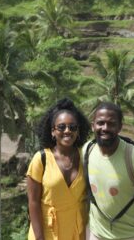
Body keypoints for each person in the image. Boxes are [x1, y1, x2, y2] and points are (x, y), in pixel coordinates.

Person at [84, 102, 134, 240]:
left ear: (120, 127)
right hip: (97, 234)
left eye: (111, 124)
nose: (105, 128)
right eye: (100, 123)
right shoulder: (86, 152)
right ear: (93, 125)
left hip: (132, 236)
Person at [27, 98, 91, 240]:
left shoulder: (86, 157)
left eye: (72, 127)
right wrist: (39, 238)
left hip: (76, 232)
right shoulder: (41, 159)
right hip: (46, 232)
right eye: (61, 127)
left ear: (78, 131)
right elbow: (33, 202)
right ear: (53, 131)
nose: (67, 131)